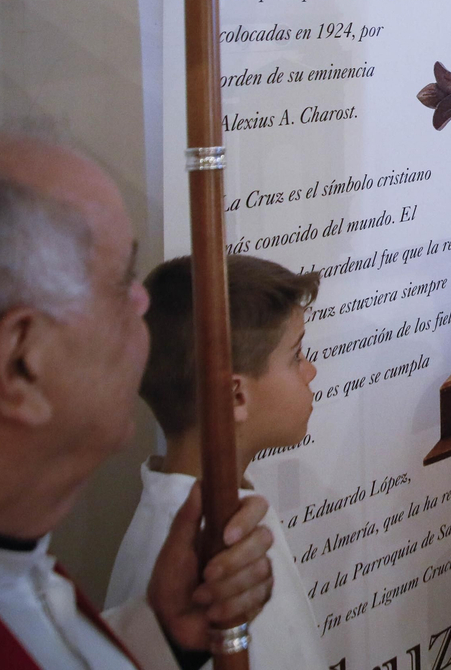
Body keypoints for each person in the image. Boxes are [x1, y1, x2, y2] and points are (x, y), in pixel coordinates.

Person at [0, 133, 276, 670]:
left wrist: (163, 637)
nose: (143, 300)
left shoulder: (2, 561)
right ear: (21, 365)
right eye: (121, 282)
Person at [106, 254, 325, 670]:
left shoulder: (221, 508)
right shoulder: (195, 559)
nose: (310, 371)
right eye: (296, 356)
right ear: (235, 396)